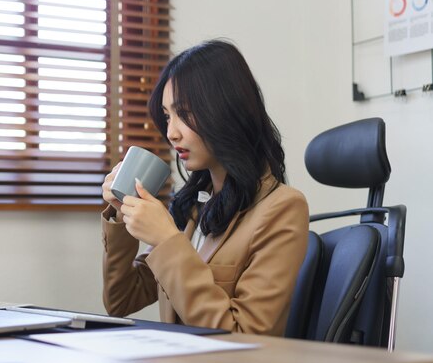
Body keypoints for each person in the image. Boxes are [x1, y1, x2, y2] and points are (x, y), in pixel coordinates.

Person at [100, 39, 309, 336]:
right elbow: (122, 300)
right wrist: (121, 217)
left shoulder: (283, 208)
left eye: (184, 114)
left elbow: (245, 336)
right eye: (168, 115)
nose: (171, 132)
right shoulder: (194, 208)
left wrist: (167, 239)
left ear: (224, 112)